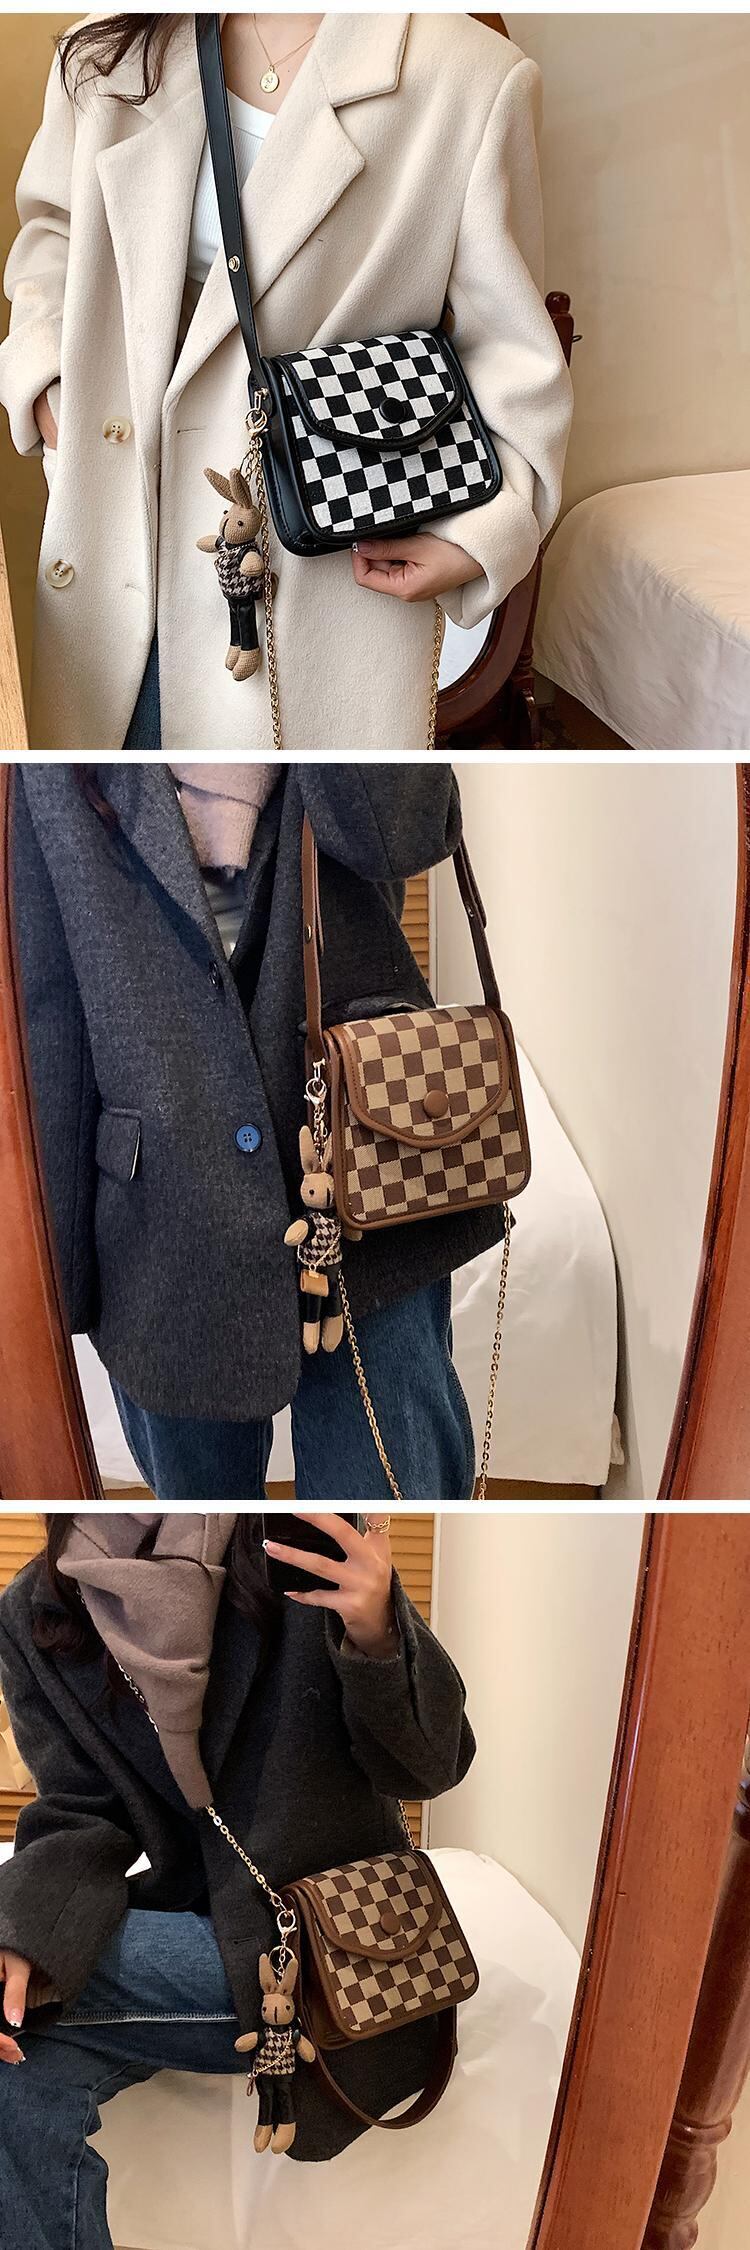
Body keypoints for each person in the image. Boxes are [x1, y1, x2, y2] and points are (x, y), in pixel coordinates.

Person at [0, 12, 573, 751]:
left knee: (303, 827)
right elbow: (54, 230)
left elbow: (514, 355)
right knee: (93, 810)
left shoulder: (470, 77)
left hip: (317, 575)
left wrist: (482, 535)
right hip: (114, 536)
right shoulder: (114, 41)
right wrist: (49, 393)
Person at [13, 760, 496, 1501]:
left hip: (372, 1159)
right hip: (165, 1206)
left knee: (382, 1500)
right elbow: (49, 991)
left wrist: (331, 697)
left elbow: (403, 833)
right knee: (199, 1529)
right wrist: (58, 1282)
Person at [0, 1510, 476, 2244]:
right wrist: (26, 1933)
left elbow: (430, 1769)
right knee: (11, 2067)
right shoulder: (38, 1609)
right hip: (198, 1917)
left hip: (338, 1947)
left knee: (19, 2004)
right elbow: (80, 1808)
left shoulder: (296, 1541)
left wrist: (380, 1631)